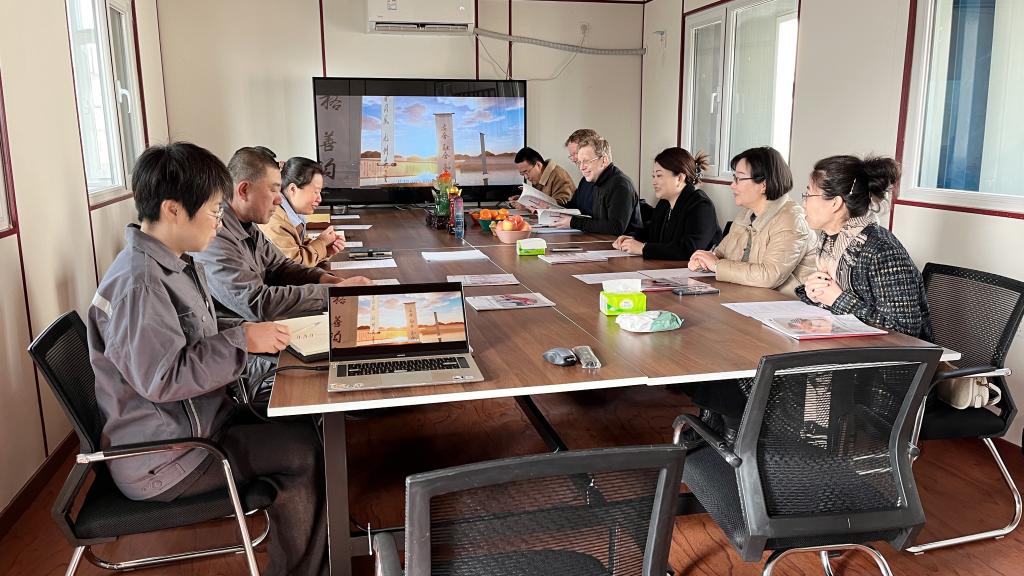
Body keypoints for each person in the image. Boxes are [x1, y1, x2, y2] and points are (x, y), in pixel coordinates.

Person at [87, 142, 327, 576]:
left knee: (304, 419)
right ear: (173, 209)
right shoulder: (140, 284)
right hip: (167, 456)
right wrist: (242, 340)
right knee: (303, 452)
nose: (220, 220)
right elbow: (163, 378)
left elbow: (199, 333)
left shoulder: (172, 264)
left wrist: (247, 336)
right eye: (215, 210)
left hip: (199, 422)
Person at [796, 155, 932, 340]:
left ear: (835, 203)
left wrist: (837, 299)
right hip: (847, 344)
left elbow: (905, 330)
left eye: (808, 195)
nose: (804, 203)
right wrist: (814, 293)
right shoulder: (830, 240)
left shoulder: (882, 250)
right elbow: (834, 306)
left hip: (890, 354)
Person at [688, 146, 815, 296]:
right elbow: (721, 254)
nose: (732, 185)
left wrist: (716, 265)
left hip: (786, 304)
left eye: (739, 178)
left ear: (763, 185)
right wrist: (703, 261)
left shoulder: (791, 220)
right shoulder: (747, 213)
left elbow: (769, 276)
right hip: (747, 297)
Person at [612, 147, 722, 259]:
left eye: (659, 176)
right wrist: (632, 238)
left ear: (680, 178)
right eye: (653, 176)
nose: (654, 182)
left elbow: (689, 249)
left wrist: (643, 248)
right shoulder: (664, 203)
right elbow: (650, 232)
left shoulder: (701, 206)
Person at [550, 135, 642, 235]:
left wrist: (573, 222)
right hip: (600, 240)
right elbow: (579, 210)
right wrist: (551, 207)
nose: (581, 167)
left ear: (604, 160)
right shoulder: (595, 180)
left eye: (586, 161)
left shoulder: (620, 185)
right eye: (580, 162)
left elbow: (615, 227)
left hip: (621, 243)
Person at [259, 157, 344, 266]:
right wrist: (322, 242)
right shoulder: (274, 220)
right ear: (293, 189)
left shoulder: (289, 212)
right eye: (316, 192)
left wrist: (325, 250)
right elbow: (294, 265)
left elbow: (296, 245)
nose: (319, 199)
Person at [507, 146, 575, 207]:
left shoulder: (559, 177)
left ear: (538, 165)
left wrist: (527, 206)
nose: (526, 177)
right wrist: (523, 199)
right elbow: (542, 199)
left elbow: (560, 208)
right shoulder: (539, 177)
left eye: (526, 172)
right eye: (522, 174)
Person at [562, 128, 600, 216]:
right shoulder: (584, 180)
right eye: (571, 155)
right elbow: (572, 208)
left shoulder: (615, 184)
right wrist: (549, 208)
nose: (573, 159)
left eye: (575, 153)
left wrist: (572, 221)